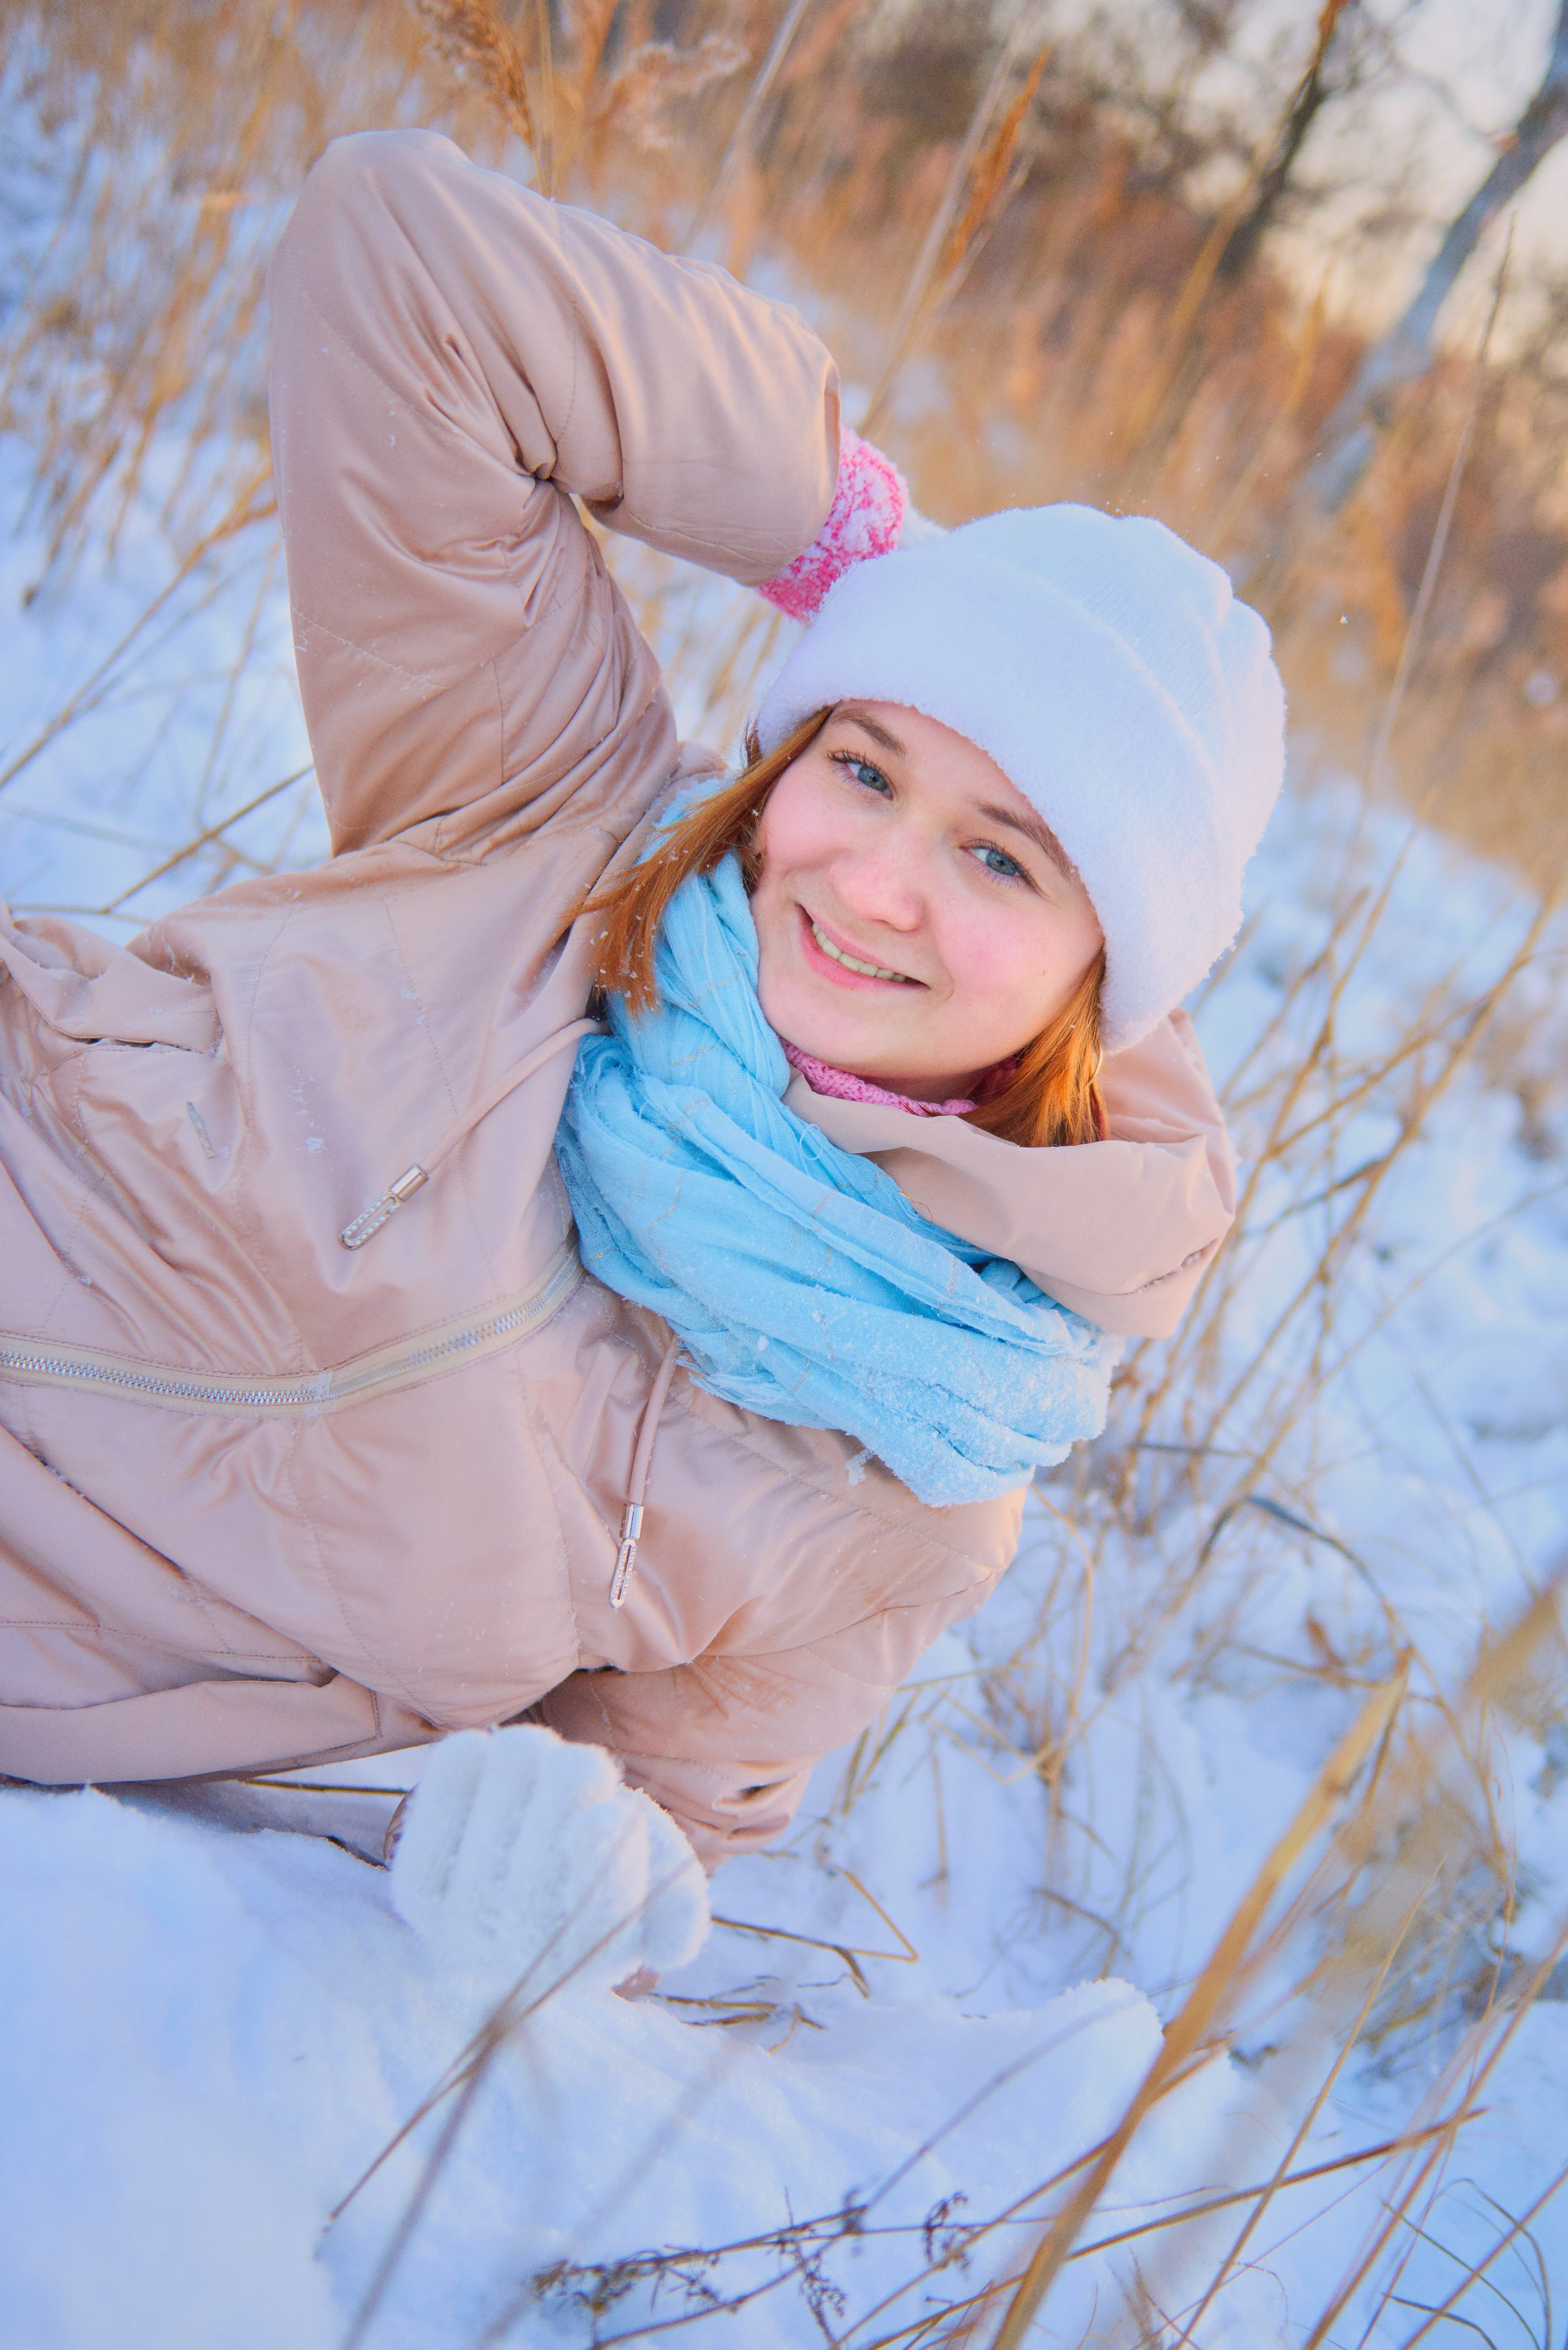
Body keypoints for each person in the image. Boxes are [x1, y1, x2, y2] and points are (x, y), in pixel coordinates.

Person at [0, 129, 1281, 1872]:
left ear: (1109, 977)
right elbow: (401, 259)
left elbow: (623, 1823)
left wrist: (567, 1893)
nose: (873, 879)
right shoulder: (560, 813)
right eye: (867, 764)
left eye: (1006, 862)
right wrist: (870, 555)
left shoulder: (917, 1481)